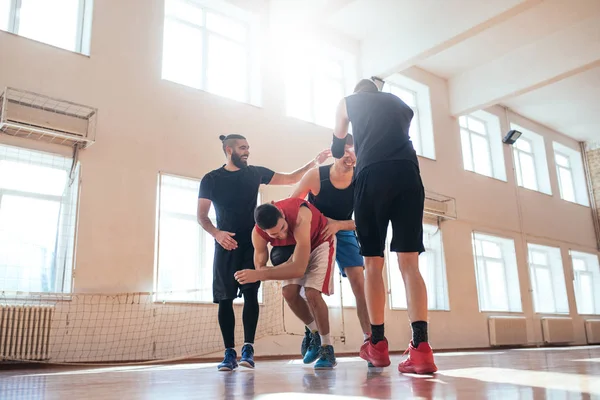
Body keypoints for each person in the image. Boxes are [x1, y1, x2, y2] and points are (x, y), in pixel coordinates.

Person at [329, 79, 437, 374]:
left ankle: (377, 345)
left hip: (372, 175)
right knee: (410, 265)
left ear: (357, 91)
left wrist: (341, 152)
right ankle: (422, 350)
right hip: (408, 176)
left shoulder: (348, 100)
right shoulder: (401, 105)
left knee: (373, 264)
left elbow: (338, 142)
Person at [197, 134, 330, 372]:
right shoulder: (211, 179)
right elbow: (202, 217)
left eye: (248, 147)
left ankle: (248, 349)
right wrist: (217, 234)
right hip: (226, 244)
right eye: (242, 148)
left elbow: (291, 178)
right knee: (225, 299)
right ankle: (229, 353)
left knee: (251, 295)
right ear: (229, 150)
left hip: (252, 242)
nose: (247, 151)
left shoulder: (254, 173)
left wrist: (314, 163)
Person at [289, 133, 371, 351]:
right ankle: (313, 331)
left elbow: (367, 220)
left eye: (353, 149)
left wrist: (338, 225)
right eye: (344, 149)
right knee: (303, 289)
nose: (349, 154)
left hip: (343, 229)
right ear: (334, 151)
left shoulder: (361, 179)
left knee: (359, 284)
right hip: (313, 233)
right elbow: (292, 206)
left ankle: (370, 340)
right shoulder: (315, 176)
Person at [234, 197, 337, 370]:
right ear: (263, 230)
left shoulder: (300, 216)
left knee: (312, 292)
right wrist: (259, 273)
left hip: (320, 242)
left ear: (281, 214)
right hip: (297, 249)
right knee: (288, 293)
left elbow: (298, 269)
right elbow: (261, 268)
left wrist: (259, 274)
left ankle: (327, 347)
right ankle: (314, 333)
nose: (281, 235)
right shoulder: (257, 234)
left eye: (282, 228)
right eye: (274, 235)